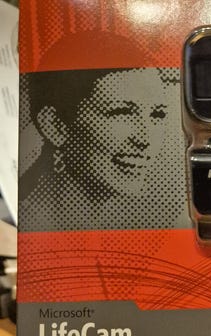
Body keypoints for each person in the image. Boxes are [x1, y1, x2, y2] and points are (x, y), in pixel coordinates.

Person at [19, 36, 186, 231]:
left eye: (157, 115)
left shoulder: (155, 220)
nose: (145, 140)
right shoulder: (27, 221)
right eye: (121, 113)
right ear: (55, 126)